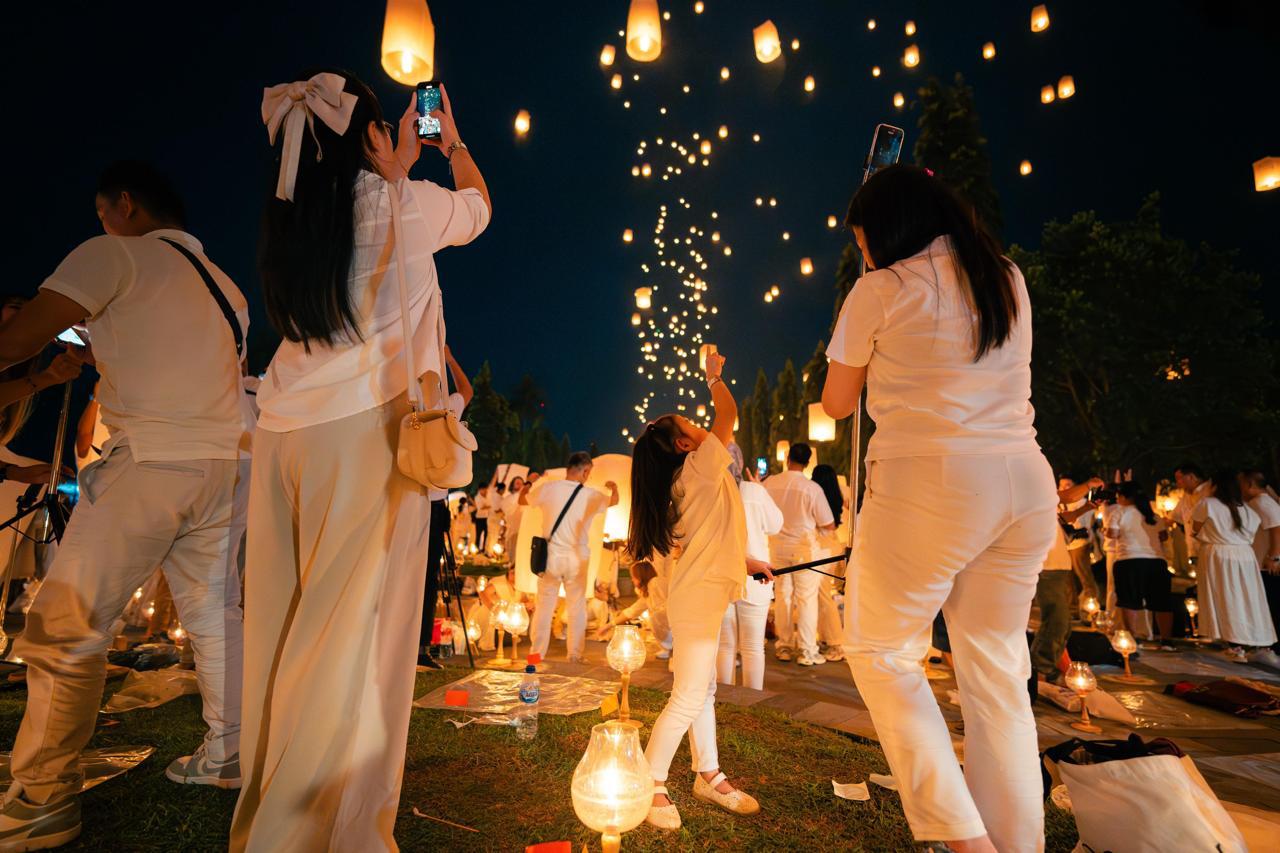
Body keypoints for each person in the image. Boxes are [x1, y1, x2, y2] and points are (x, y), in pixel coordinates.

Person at [231, 70, 490, 853]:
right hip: (361, 437)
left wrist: (393, 163)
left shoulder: (292, 215)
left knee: (278, 635)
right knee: (347, 650)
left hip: (282, 428)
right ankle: (300, 838)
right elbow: (478, 210)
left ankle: (263, 819)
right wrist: (453, 144)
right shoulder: (396, 204)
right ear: (374, 136)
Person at [0, 160, 252, 848]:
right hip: (226, 466)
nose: (101, 224)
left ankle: (42, 797)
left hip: (151, 461)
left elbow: (22, 336)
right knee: (212, 614)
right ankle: (228, 753)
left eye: (103, 212)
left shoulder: (113, 253)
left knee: (66, 624)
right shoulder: (226, 286)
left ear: (125, 205)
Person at [822, 165, 1057, 853]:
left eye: (863, 238)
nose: (863, 252)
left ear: (886, 232)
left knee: (878, 648)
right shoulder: (1005, 275)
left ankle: (966, 841)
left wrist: (855, 329)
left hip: (934, 482)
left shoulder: (881, 288)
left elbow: (837, 403)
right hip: (1023, 481)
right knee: (995, 672)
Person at [628, 350, 768, 830]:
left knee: (702, 688)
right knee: (688, 694)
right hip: (698, 601)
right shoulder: (702, 467)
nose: (702, 426)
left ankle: (707, 773)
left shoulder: (688, 481)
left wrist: (746, 561)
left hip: (700, 596)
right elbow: (729, 414)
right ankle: (651, 783)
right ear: (686, 444)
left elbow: (707, 536)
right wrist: (713, 378)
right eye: (691, 424)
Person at [521, 453, 616, 661]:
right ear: (585, 471)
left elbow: (522, 499)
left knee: (544, 608)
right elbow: (614, 501)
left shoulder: (548, 489)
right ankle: (574, 655)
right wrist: (613, 488)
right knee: (576, 608)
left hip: (551, 558)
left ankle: (536, 654)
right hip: (577, 558)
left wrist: (529, 483)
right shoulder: (592, 495)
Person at [418, 345, 473, 670]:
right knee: (427, 579)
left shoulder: (408, 405)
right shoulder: (445, 407)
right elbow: (467, 389)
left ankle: (404, 643)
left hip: (407, 502)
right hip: (434, 503)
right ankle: (420, 647)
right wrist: (451, 357)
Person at [1191, 471, 1277, 663]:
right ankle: (1254, 641)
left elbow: (1195, 529)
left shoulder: (1208, 504)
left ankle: (1234, 644)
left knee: (1225, 597)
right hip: (1244, 555)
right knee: (1247, 598)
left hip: (1218, 554)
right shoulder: (1246, 509)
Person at [764, 443, 835, 667]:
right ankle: (807, 650)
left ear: (787, 457)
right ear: (807, 462)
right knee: (806, 598)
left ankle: (784, 645)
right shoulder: (811, 488)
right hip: (804, 551)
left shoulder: (770, 483)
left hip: (777, 547)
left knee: (783, 596)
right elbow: (828, 524)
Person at [717, 459, 783, 688]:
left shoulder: (711, 491)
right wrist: (761, 490)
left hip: (721, 575)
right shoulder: (754, 491)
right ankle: (751, 705)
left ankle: (723, 701)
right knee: (753, 647)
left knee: (724, 645)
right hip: (756, 577)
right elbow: (776, 524)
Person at [1031, 479, 1101, 684]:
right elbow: (1068, 496)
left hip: (1059, 565)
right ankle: (1040, 670)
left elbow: (1062, 518)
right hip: (1047, 566)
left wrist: (1087, 507)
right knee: (1057, 621)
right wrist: (1089, 484)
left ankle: (1044, 669)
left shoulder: (1045, 504)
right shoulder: (1035, 492)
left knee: (1062, 623)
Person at [1108, 482, 1173, 641]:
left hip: (1129, 560)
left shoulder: (1119, 512)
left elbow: (1113, 534)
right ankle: (1166, 640)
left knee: (1129, 601)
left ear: (1123, 497)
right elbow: (1163, 536)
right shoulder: (1153, 515)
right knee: (1161, 602)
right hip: (1156, 562)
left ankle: (1133, 637)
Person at [810, 463, 848, 661]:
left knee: (823, 595)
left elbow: (826, 524)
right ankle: (826, 637)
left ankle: (835, 642)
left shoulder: (817, 495)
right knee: (821, 594)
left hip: (823, 547)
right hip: (833, 545)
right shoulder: (836, 494)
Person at [1240, 470, 1280, 661]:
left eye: (1240, 483)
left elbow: (1276, 528)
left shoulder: (1262, 503)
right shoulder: (1259, 503)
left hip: (1267, 564)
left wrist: (1274, 557)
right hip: (1261, 562)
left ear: (1249, 484)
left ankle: (1271, 648)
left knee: (1271, 605)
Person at [596, 560, 658, 640]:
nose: (632, 580)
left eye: (633, 577)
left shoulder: (656, 585)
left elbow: (661, 611)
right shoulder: (648, 592)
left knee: (654, 618)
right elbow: (631, 611)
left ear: (640, 576)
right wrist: (607, 626)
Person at [1173, 462, 1210, 566]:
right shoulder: (1186, 496)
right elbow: (1175, 517)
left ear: (1191, 477)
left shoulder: (1209, 491)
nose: (1178, 483)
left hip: (1210, 548)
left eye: (1179, 478)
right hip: (1194, 549)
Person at [474, 484, 492, 550]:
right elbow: (480, 507)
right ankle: (476, 549)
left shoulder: (487, 496)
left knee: (486, 534)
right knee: (478, 534)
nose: (486, 491)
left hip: (486, 517)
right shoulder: (477, 497)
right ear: (480, 490)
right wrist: (488, 506)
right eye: (484, 489)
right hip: (479, 518)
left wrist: (486, 506)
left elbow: (485, 506)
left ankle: (483, 549)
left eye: (486, 489)